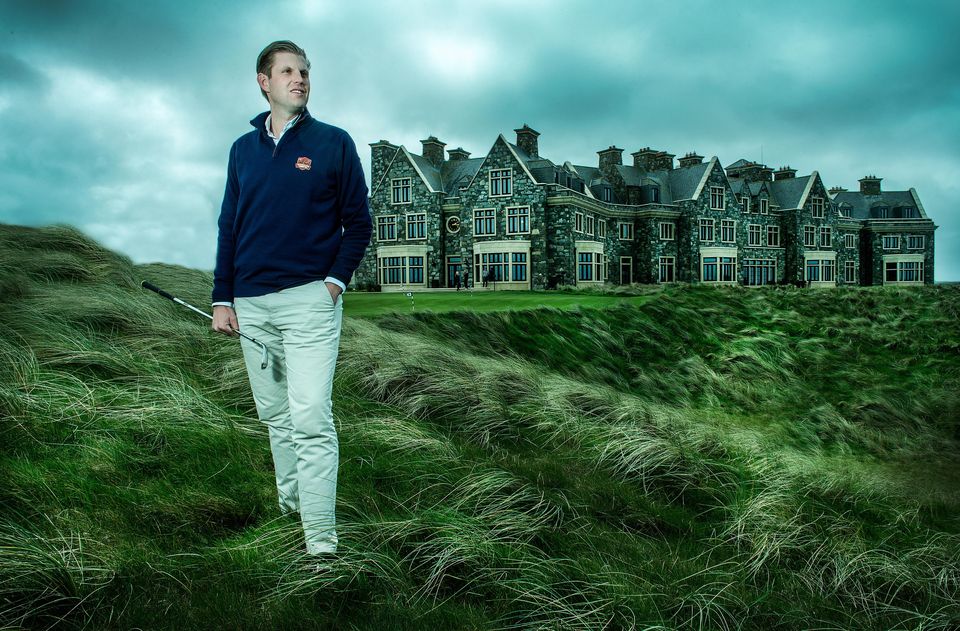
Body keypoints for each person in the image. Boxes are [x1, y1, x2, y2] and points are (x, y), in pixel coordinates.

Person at [211, 40, 372, 558]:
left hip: (309, 301)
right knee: (276, 418)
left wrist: (334, 282)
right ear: (265, 81)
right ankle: (291, 512)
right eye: (288, 71)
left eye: (304, 71)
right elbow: (229, 226)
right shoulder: (242, 149)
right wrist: (223, 298)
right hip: (251, 303)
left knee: (310, 418)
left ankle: (321, 544)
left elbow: (359, 223)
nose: (299, 79)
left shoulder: (333, 142)